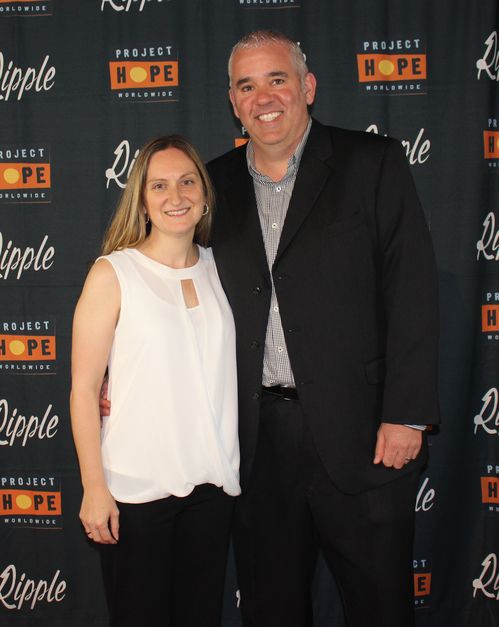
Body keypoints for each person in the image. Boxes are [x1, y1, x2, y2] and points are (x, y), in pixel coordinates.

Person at [205, 30, 439, 627]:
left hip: (365, 434)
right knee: (271, 609)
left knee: (381, 607)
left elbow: (411, 290)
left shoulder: (372, 163)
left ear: (307, 87)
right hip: (256, 441)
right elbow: (175, 288)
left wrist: (407, 414)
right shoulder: (210, 185)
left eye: (277, 80)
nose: (263, 98)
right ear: (233, 102)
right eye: (246, 86)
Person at [70, 135, 240, 627]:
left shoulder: (222, 267)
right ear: (142, 202)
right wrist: (94, 487)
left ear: (204, 194)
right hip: (135, 493)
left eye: (187, 182)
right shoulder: (113, 273)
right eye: (159, 185)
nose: (176, 196)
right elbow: (84, 390)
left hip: (212, 490)